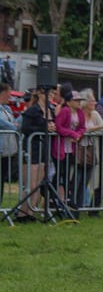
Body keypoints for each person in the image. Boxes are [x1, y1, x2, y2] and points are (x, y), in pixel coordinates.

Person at [15, 88, 50, 220]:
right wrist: (45, 128)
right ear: (41, 94)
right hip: (31, 149)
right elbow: (26, 128)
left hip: (42, 149)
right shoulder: (33, 110)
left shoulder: (48, 109)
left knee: (39, 183)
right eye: (49, 93)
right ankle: (22, 213)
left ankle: (31, 212)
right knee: (31, 184)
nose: (50, 96)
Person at [52, 90, 86, 209]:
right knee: (59, 171)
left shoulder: (80, 112)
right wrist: (72, 134)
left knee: (67, 173)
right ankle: (52, 194)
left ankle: (67, 198)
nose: (78, 103)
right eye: (76, 101)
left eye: (79, 101)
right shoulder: (65, 111)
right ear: (69, 102)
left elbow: (82, 127)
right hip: (61, 145)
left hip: (71, 147)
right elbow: (59, 127)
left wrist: (79, 135)